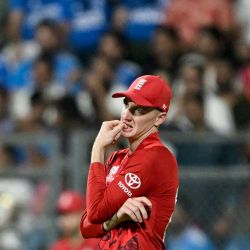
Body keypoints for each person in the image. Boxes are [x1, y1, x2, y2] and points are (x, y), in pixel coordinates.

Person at [80, 75, 179, 249]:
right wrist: (115, 218)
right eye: (126, 104)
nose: (126, 115)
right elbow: (85, 227)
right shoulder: (117, 158)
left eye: (139, 110)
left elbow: (94, 214)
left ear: (160, 118)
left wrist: (97, 148)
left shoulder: (156, 156)